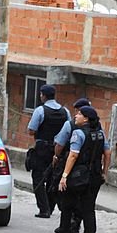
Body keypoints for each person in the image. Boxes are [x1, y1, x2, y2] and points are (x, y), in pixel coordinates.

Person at [52, 104, 110, 233]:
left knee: (67, 206)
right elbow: (107, 153)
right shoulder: (100, 134)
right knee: (89, 210)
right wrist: (105, 171)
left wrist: (64, 176)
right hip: (95, 176)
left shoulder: (79, 133)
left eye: (79, 114)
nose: (76, 116)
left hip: (77, 176)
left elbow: (73, 155)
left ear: (86, 119)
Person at [26, 84, 70, 219]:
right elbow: (68, 129)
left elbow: (31, 130)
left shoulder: (40, 111)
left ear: (43, 95)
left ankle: (44, 209)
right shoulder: (65, 111)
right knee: (53, 178)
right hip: (59, 149)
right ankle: (50, 207)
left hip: (42, 149)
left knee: (38, 178)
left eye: (41, 94)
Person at [51, 96, 91, 233]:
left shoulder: (70, 125)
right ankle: (75, 226)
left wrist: (57, 157)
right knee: (81, 200)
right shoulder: (97, 128)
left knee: (64, 197)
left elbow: (60, 145)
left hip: (70, 166)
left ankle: (67, 229)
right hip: (88, 170)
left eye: (79, 112)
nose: (76, 115)